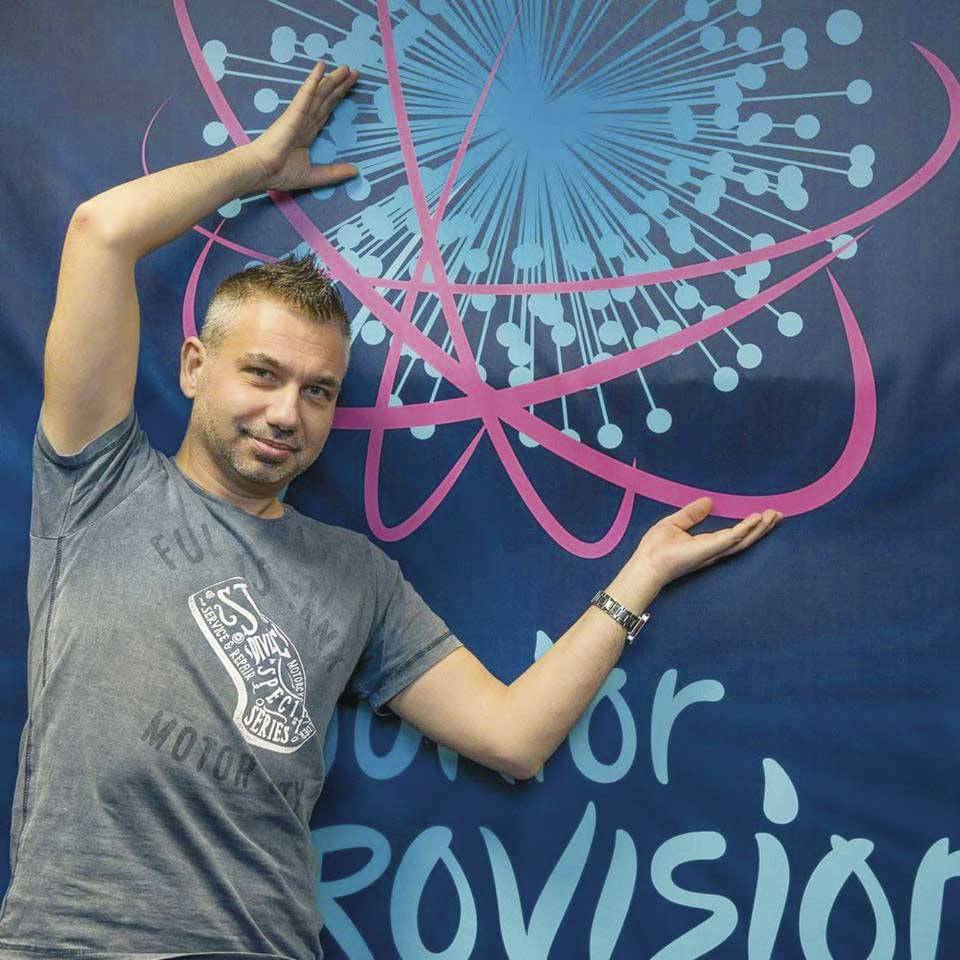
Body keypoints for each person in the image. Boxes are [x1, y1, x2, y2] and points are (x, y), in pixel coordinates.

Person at [0, 60, 781, 959]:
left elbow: (513, 737)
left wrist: (641, 575)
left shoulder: (354, 576)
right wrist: (258, 166)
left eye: (318, 390)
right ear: (193, 367)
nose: (286, 413)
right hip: (69, 940)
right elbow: (100, 233)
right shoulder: (97, 480)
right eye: (262, 374)